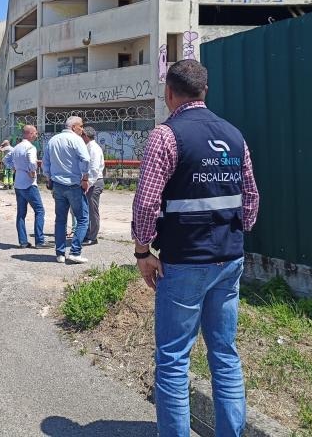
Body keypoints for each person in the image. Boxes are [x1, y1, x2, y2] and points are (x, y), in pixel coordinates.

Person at [131, 60, 259, 437]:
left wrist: (143, 252)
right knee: (225, 355)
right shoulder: (234, 135)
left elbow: (145, 204)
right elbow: (250, 200)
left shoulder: (166, 136)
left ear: (170, 93)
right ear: (204, 91)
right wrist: (233, 234)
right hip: (229, 258)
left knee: (172, 360)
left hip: (184, 261)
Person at [43, 116, 90, 264]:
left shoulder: (53, 140)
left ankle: (60, 254)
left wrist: (49, 178)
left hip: (57, 184)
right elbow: (86, 159)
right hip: (74, 184)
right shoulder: (76, 140)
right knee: (82, 219)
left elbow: (46, 163)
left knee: (60, 220)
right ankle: (75, 251)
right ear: (74, 126)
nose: (82, 129)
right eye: (81, 126)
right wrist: (85, 179)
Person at [4, 125, 51, 249]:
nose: (36, 135)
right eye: (35, 133)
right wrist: (32, 171)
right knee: (40, 211)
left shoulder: (17, 147)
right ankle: (40, 240)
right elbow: (32, 162)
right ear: (29, 134)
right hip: (29, 184)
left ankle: (23, 241)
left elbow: (5, 159)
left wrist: (14, 167)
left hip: (18, 183)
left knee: (21, 214)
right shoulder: (30, 147)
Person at [81, 126, 105, 246]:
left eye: (82, 135)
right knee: (87, 210)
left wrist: (88, 184)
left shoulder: (93, 148)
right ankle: (88, 234)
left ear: (85, 136)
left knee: (93, 210)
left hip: (94, 183)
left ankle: (93, 236)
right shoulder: (89, 147)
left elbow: (94, 169)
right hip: (90, 182)